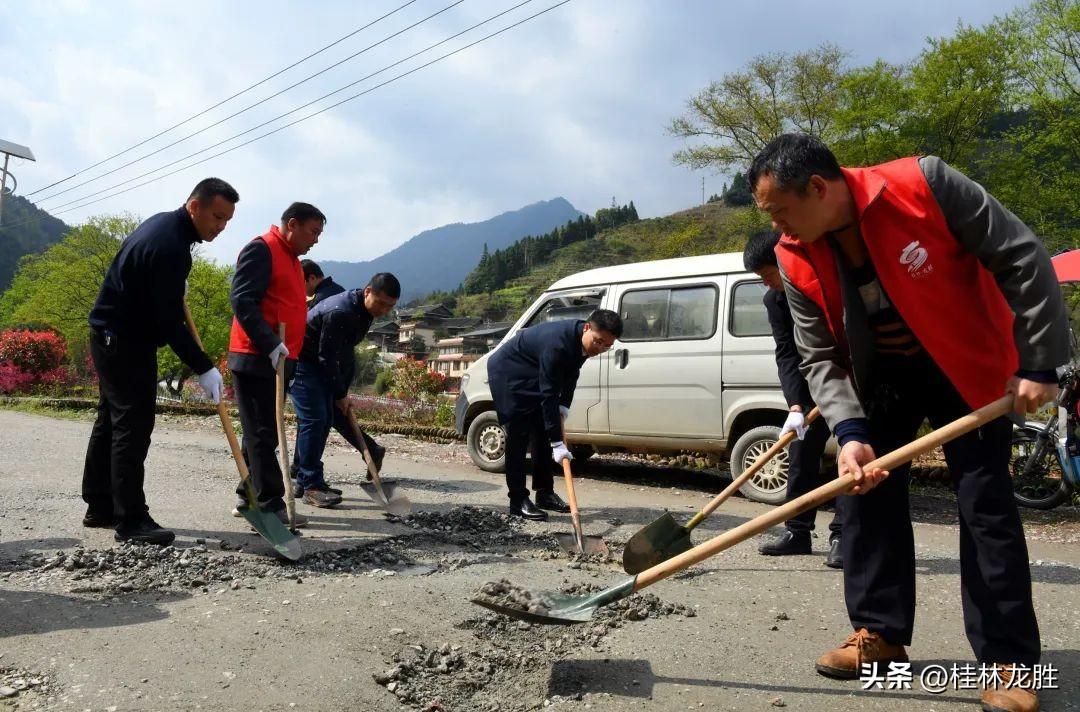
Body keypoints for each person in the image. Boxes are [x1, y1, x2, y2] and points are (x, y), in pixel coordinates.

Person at [750, 133, 1067, 712]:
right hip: (882, 378)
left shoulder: (925, 185)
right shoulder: (794, 256)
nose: (780, 229)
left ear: (818, 188)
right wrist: (849, 433)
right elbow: (817, 355)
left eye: (782, 212)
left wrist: (1041, 359)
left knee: (985, 504)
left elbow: (1020, 256)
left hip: (964, 364)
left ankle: (1008, 663)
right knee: (863, 493)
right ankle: (880, 635)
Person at [83, 178, 236, 545]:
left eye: (227, 220)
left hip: (109, 333)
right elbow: (168, 322)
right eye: (217, 217)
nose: (221, 226)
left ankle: (100, 506)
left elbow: (152, 292)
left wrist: (167, 287)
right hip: (124, 340)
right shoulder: (170, 246)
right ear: (194, 206)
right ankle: (131, 520)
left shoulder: (163, 226)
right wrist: (203, 366)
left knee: (110, 420)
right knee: (131, 427)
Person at [742, 230, 843, 568]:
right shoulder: (775, 301)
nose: (767, 283)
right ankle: (797, 532)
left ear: (785, 263)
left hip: (849, 381)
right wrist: (796, 405)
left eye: (768, 275)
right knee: (801, 454)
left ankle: (843, 536)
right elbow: (786, 353)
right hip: (810, 386)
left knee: (849, 455)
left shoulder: (825, 282)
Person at [227, 202, 324, 528]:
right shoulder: (262, 249)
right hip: (256, 356)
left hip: (282, 359)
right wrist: (270, 343)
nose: (315, 240)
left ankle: (248, 496)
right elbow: (242, 300)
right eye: (312, 232)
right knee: (263, 433)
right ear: (292, 224)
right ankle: (268, 504)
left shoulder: (294, 262)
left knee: (259, 432)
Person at [487, 309, 623, 520]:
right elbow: (548, 393)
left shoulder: (585, 342)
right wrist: (558, 443)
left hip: (533, 369)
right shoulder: (558, 344)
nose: (601, 348)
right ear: (587, 328)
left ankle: (545, 493)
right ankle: (517, 500)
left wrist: (564, 407)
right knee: (518, 434)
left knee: (542, 431)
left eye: (608, 345)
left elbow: (570, 375)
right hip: (508, 373)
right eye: (598, 342)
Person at [291, 273, 400, 506]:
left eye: (389, 306)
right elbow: (326, 356)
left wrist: (343, 390)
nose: (383, 310)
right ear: (368, 291)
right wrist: (339, 394)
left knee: (327, 417)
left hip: (321, 364)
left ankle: (306, 481)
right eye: (381, 303)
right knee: (315, 420)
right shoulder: (340, 311)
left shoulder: (365, 311)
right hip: (301, 362)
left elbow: (346, 353)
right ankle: (311, 485)